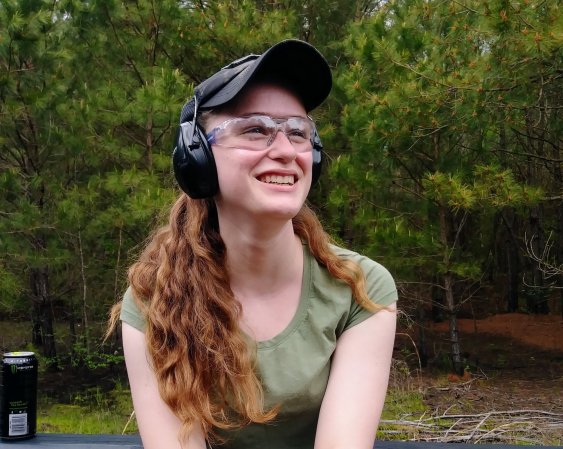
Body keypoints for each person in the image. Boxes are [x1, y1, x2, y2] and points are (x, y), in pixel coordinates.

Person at [111, 39, 398, 449]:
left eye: (298, 132)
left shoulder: (360, 288)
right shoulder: (153, 301)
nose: (285, 150)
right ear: (196, 155)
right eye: (255, 129)